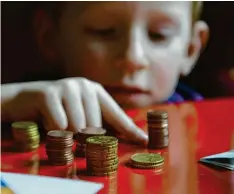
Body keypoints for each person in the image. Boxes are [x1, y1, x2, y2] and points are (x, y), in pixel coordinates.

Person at [1, 1, 209, 145]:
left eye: (159, 35)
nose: (133, 58)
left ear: (191, 49)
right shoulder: (23, 107)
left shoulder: (211, 122)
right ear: (49, 36)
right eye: (104, 30)